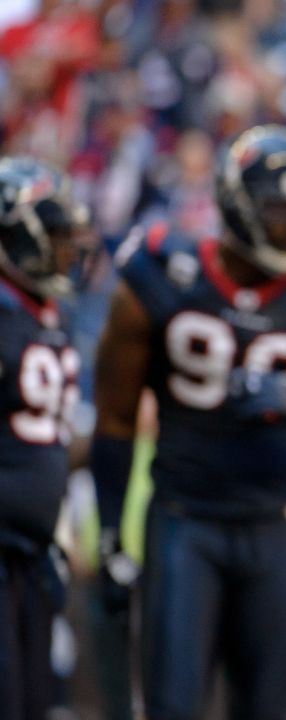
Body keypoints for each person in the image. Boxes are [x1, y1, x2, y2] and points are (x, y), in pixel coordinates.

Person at [90, 125, 286, 720]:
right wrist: (111, 532)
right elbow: (117, 417)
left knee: (274, 706)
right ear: (239, 209)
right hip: (184, 520)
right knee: (173, 705)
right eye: (280, 209)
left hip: (278, 521)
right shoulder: (161, 273)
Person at [0, 156, 87, 720]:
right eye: (54, 236)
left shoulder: (46, 312)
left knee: (33, 702)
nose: (66, 250)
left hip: (30, 554)